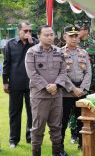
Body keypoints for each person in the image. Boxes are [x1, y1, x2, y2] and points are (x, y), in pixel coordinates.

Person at [25, 25, 67, 156]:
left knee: (56, 128)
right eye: (46, 35)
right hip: (40, 96)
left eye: (51, 34)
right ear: (39, 36)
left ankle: (56, 153)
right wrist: (47, 86)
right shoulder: (32, 52)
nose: (50, 37)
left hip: (56, 96)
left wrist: (56, 85)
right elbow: (32, 73)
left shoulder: (59, 51)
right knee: (37, 129)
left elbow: (64, 71)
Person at [2, 21, 38, 148]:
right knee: (14, 112)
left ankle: (30, 137)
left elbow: (40, 59)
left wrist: (32, 44)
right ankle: (13, 140)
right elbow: (6, 63)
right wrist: (5, 82)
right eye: (25, 30)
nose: (28, 33)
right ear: (19, 31)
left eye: (30, 31)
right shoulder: (10, 44)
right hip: (15, 83)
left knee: (32, 112)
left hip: (32, 84)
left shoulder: (35, 43)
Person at [60, 26, 92, 154]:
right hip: (65, 91)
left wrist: (82, 88)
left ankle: (82, 144)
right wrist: (73, 88)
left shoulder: (83, 52)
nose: (74, 38)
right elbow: (61, 73)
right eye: (71, 36)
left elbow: (89, 72)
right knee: (62, 121)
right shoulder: (59, 53)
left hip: (81, 91)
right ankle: (60, 147)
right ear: (65, 37)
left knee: (82, 120)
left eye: (76, 36)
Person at [77, 20, 95, 93]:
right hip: (77, 79)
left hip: (92, 80)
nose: (77, 32)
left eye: (79, 30)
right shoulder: (74, 43)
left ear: (86, 31)